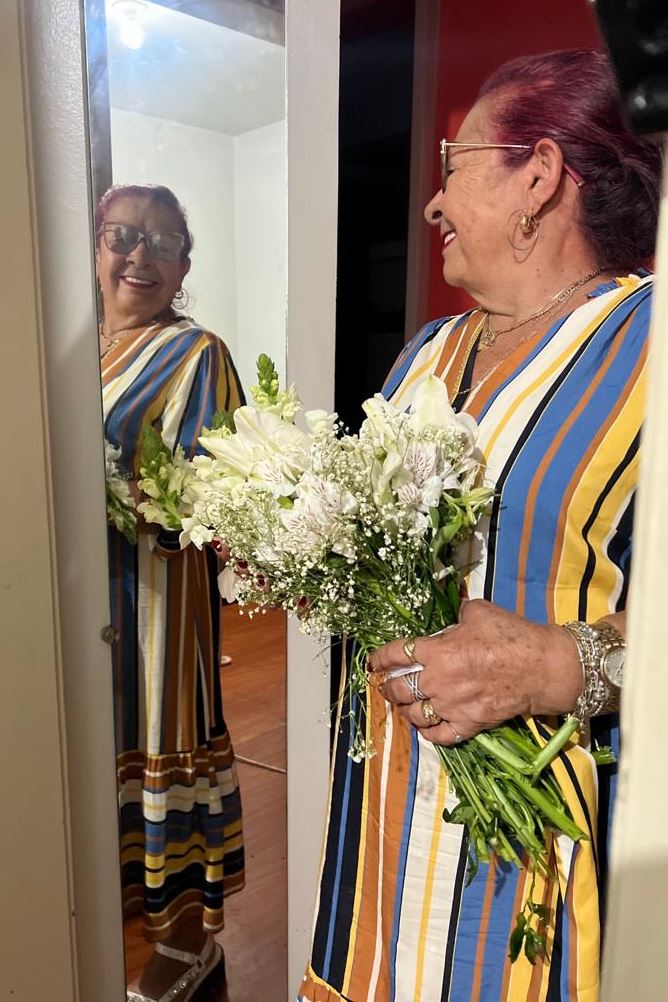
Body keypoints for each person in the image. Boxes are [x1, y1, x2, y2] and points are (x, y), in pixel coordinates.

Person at [299, 49, 662, 1002]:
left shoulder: (653, 344)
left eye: (454, 164)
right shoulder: (426, 352)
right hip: (382, 830)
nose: (432, 204)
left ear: (537, 177)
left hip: (543, 845)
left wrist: (554, 665)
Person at [97, 183, 244, 1002]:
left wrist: (129, 494)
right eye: (121, 235)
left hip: (156, 609)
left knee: (160, 752)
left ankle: (190, 944)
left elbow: (218, 499)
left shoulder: (196, 354)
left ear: (184, 263)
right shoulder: (64, 346)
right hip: (79, 612)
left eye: (161, 242)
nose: (138, 256)